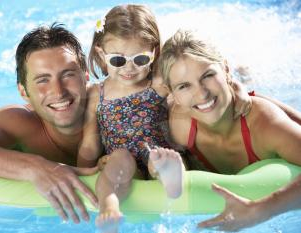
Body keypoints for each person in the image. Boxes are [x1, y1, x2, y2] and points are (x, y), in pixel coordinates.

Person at [77, 4, 252, 233]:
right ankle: (109, 204)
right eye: (118, 60)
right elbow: (90, 144)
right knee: (119, 159)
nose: (129, 68)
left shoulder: (158, 81)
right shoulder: (95, 94)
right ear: (101, 53)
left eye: (140, 59)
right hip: (122, 162)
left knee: (160, 157)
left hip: (159, 153)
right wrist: (81, 173)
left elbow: (202, 72)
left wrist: (238, 87)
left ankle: (172, 180)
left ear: (154, 53)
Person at [0, 23, 98, 224]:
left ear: (86, 77)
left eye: (68, 74)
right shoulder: (21, 122)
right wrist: (37, 168)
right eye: (42, 80)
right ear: (23, 92)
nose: (58, 91)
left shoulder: (114, 113)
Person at [158, 29, 301, 230]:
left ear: (225, 69)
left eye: (207, 75)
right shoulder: (178, 125)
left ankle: (244, 75)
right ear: (171, 92)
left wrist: (260, 209)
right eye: (184, 86)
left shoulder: (264, 125)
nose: (201, 94)